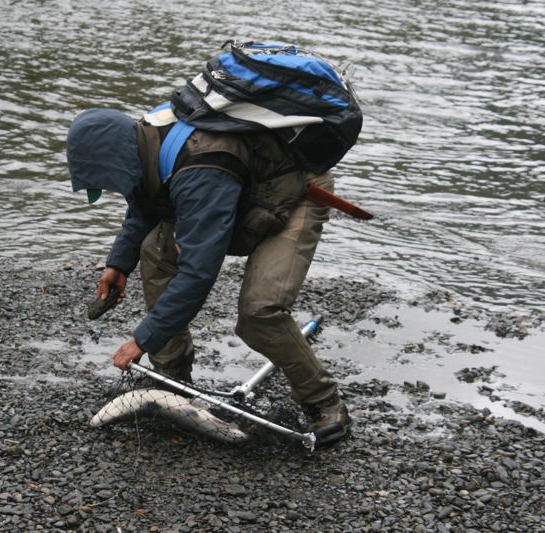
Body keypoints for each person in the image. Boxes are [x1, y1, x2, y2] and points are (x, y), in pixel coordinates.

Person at [66, 105, 352, 447]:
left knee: (260, 312)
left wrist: (142, 339)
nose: (112, 187)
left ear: (114, 156)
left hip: (294, 195)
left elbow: (198, 273)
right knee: (154, 252)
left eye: (108, 180)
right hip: (243, 192)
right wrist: (119, 265)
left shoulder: (200, 170)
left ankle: (323, 402)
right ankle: (173, 379)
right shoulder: (145, 141)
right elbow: (145, 203)